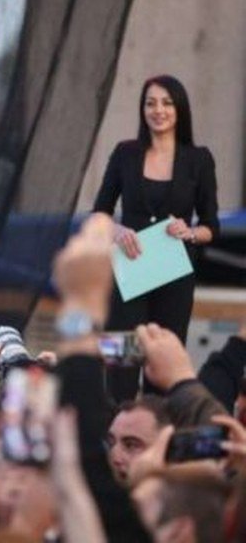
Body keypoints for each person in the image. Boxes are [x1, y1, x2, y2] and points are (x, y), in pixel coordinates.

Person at [93, 74, 219, 345]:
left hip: (175, 275)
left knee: (163, 358)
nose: (158, 110)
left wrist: (190, 232)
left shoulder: (199, 159)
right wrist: (116, 230)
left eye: (167, 103)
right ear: (143, 109)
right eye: (150, 103)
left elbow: (211, 226)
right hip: (128, 270)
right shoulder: (125, 153)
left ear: (179, 108)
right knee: (121, 357)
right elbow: (99, 213)